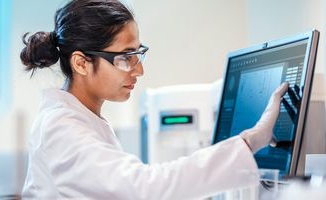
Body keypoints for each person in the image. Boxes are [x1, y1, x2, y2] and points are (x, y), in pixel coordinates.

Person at [20, 0, 288, 199]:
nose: (139, 69)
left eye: (139, 54)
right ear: (81, 63)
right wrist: (251, 139)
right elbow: (145, 187)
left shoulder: (82, 120)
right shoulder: (62, 128)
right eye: (125, 57)